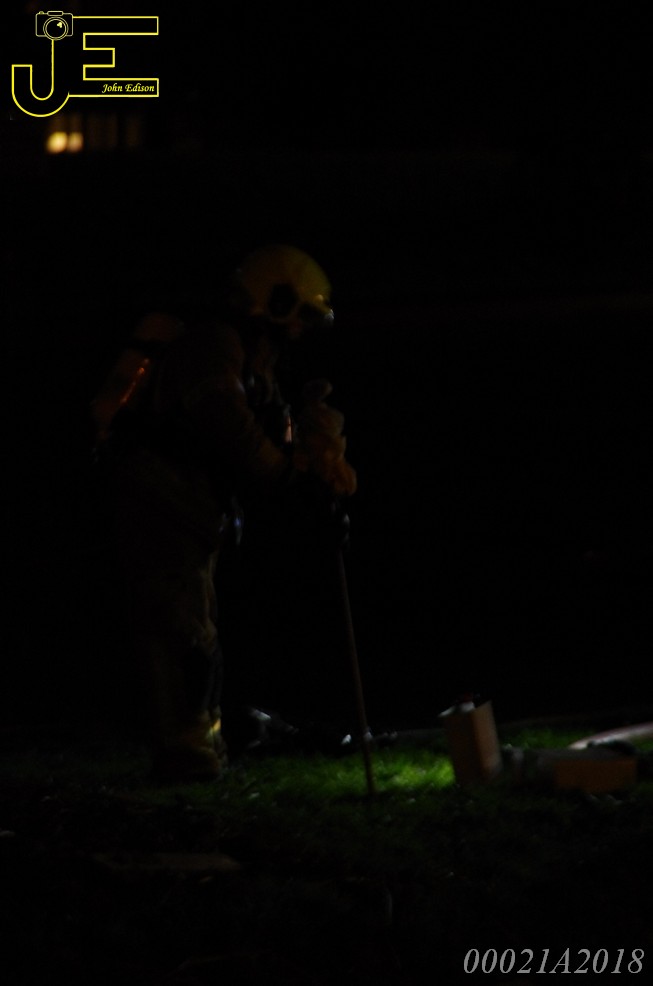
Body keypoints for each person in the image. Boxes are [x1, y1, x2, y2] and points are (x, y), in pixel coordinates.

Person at [92, 244, 357, 783]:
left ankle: (200, 749)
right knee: (181, 634)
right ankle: (187, 757)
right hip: (163, 503)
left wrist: (314, 471)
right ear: (274, 300)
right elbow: (231, 428)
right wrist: (290, 482)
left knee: (194, 631)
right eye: (300, 315)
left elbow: (265, 432)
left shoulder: (250, 353)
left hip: (190, 509)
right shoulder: (214, 344)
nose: (300, 330)